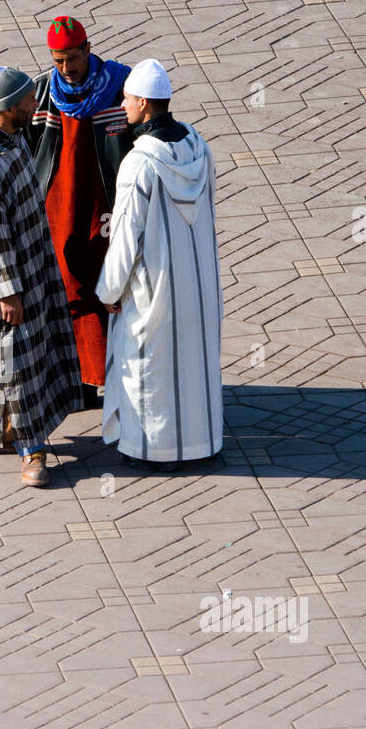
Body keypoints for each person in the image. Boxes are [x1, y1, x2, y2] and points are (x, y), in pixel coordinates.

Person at [0, 66, 83, 487]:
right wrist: (8, 292)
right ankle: (32, 450)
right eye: (29, 99)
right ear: (9, 108)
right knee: (17, 363)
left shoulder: (13, 138)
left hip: (32, 269)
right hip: (7, 286)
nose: (36, 103)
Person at [95, 59, 223, 469]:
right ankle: (201, 444)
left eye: (128, 98)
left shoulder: (139, 163)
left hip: (154, 288)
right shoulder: (198, 147)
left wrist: (109, 291)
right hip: (198, 280)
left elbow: (126, 236)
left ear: (146, 104)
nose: (123, 104)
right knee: (193, 364)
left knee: (148, 367)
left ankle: (149, 450)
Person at [24, 16, 132, 406]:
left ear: (88, 50)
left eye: (73, 58)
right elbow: (27, 150)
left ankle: (116, 375)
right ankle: (81, 381)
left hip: (110, 206)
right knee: (70, 289)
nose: (67, 68)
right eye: (58, 60)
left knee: (114, 286)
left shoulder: (123, 86)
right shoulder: (40, 92)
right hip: (61, 209)